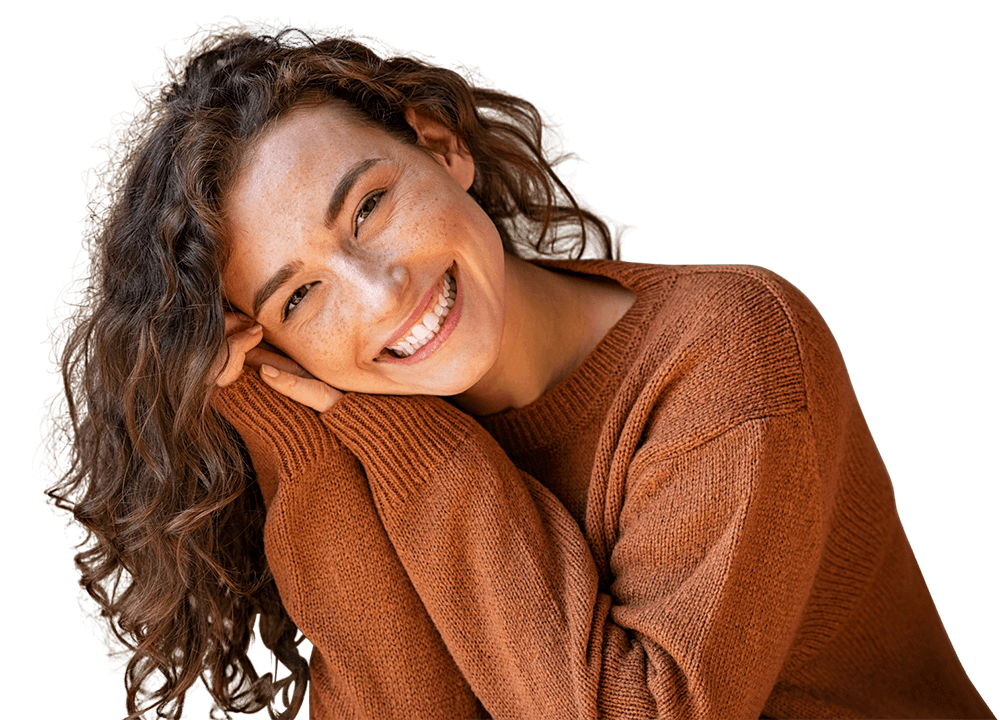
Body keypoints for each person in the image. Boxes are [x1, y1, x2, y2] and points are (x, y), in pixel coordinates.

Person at [40, 18, 993, 720]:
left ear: (442, 148)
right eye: (298, 299)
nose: (379, 295)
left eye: (367, 208)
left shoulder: (731, 346)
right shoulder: (363, 423)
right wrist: (304, 439)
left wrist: (403, 435)